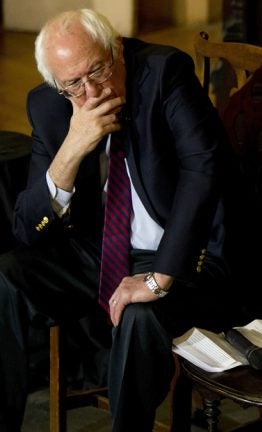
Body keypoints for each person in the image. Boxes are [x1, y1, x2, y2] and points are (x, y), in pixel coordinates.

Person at [0, 9, 237, 431]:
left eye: (98, 70)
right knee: (9, 273)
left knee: (139, 314)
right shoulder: (49, 104)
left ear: (117, 50)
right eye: (73, 84)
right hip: (103, 250)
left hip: (181, 253)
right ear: (58, 85)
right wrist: (73, 147)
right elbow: (25, 228)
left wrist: (158, 278)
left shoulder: (165, 72)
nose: (91, 92)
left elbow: (204, 169)